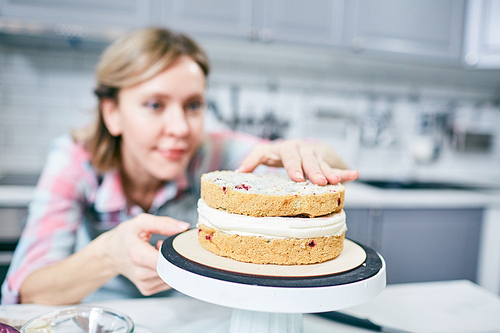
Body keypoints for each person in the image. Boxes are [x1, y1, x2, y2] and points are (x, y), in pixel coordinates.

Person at [1, 28, 359, 305]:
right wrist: (109, 255)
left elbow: (329, 161)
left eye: (193, 105)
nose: (181, 129)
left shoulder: (212, 153)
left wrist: (301, 153)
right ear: (112, 113)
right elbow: (24, 290)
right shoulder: (75, 161)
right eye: (155, 105)